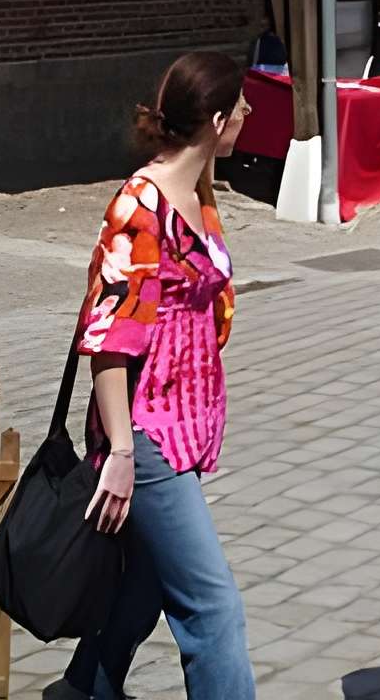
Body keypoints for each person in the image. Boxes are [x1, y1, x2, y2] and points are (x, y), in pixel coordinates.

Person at [70, 51, 256, 700]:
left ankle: (83, 689)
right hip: (147, 433)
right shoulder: (139, 207)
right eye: (241, 105)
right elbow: (107, 339)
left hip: (183, 425)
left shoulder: (199, 194)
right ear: (216, 120)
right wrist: (121, 453)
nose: (249, 112)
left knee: (144, 584)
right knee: (213, 607)